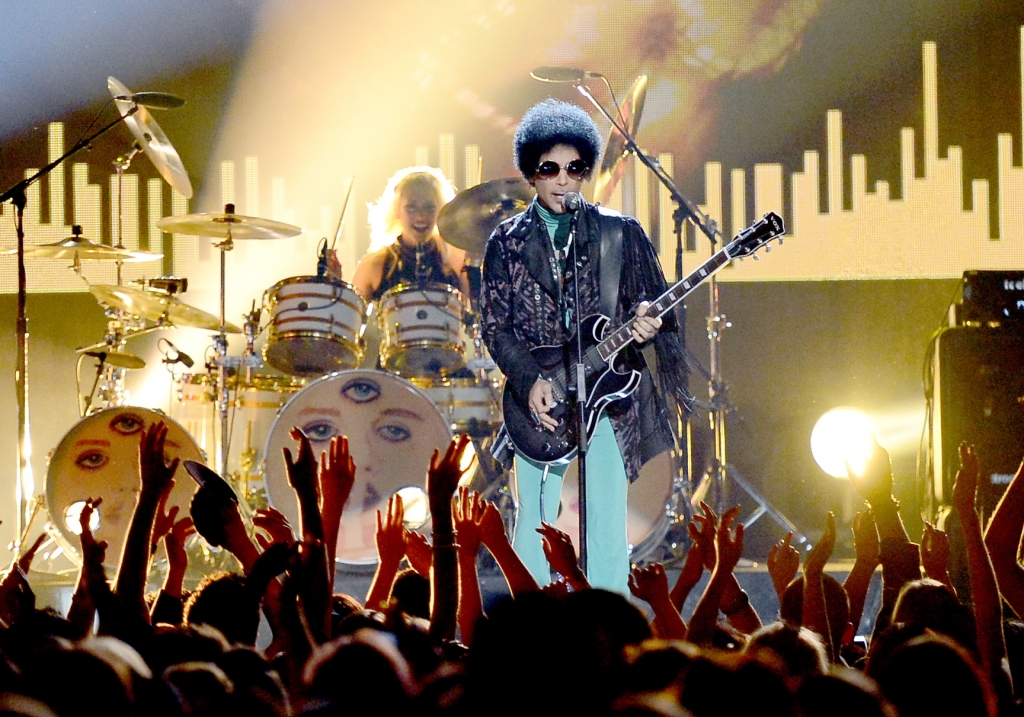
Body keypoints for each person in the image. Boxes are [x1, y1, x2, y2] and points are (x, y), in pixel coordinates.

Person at [480, 98, 689, 593]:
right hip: (539, 399)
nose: (562, 179)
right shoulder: (506, 242)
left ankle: (609, 630)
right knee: (533, 517)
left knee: (606, 520)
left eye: (574, 169)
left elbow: (654, 305)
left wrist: (647, 323)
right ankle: (531, 632)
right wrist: (529, 380)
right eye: (549, 169)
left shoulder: (620, 234)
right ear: (531, 172)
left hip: (608, 396)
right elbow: (495, 326)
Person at [351, 166, 469, 302]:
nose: (420, 216)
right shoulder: (375, 265)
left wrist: (474, 270)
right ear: (397, 210)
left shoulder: (457, 262)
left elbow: (478, 313)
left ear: (441, 211)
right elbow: (350, 317)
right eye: (411, 208)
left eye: (429, 207)